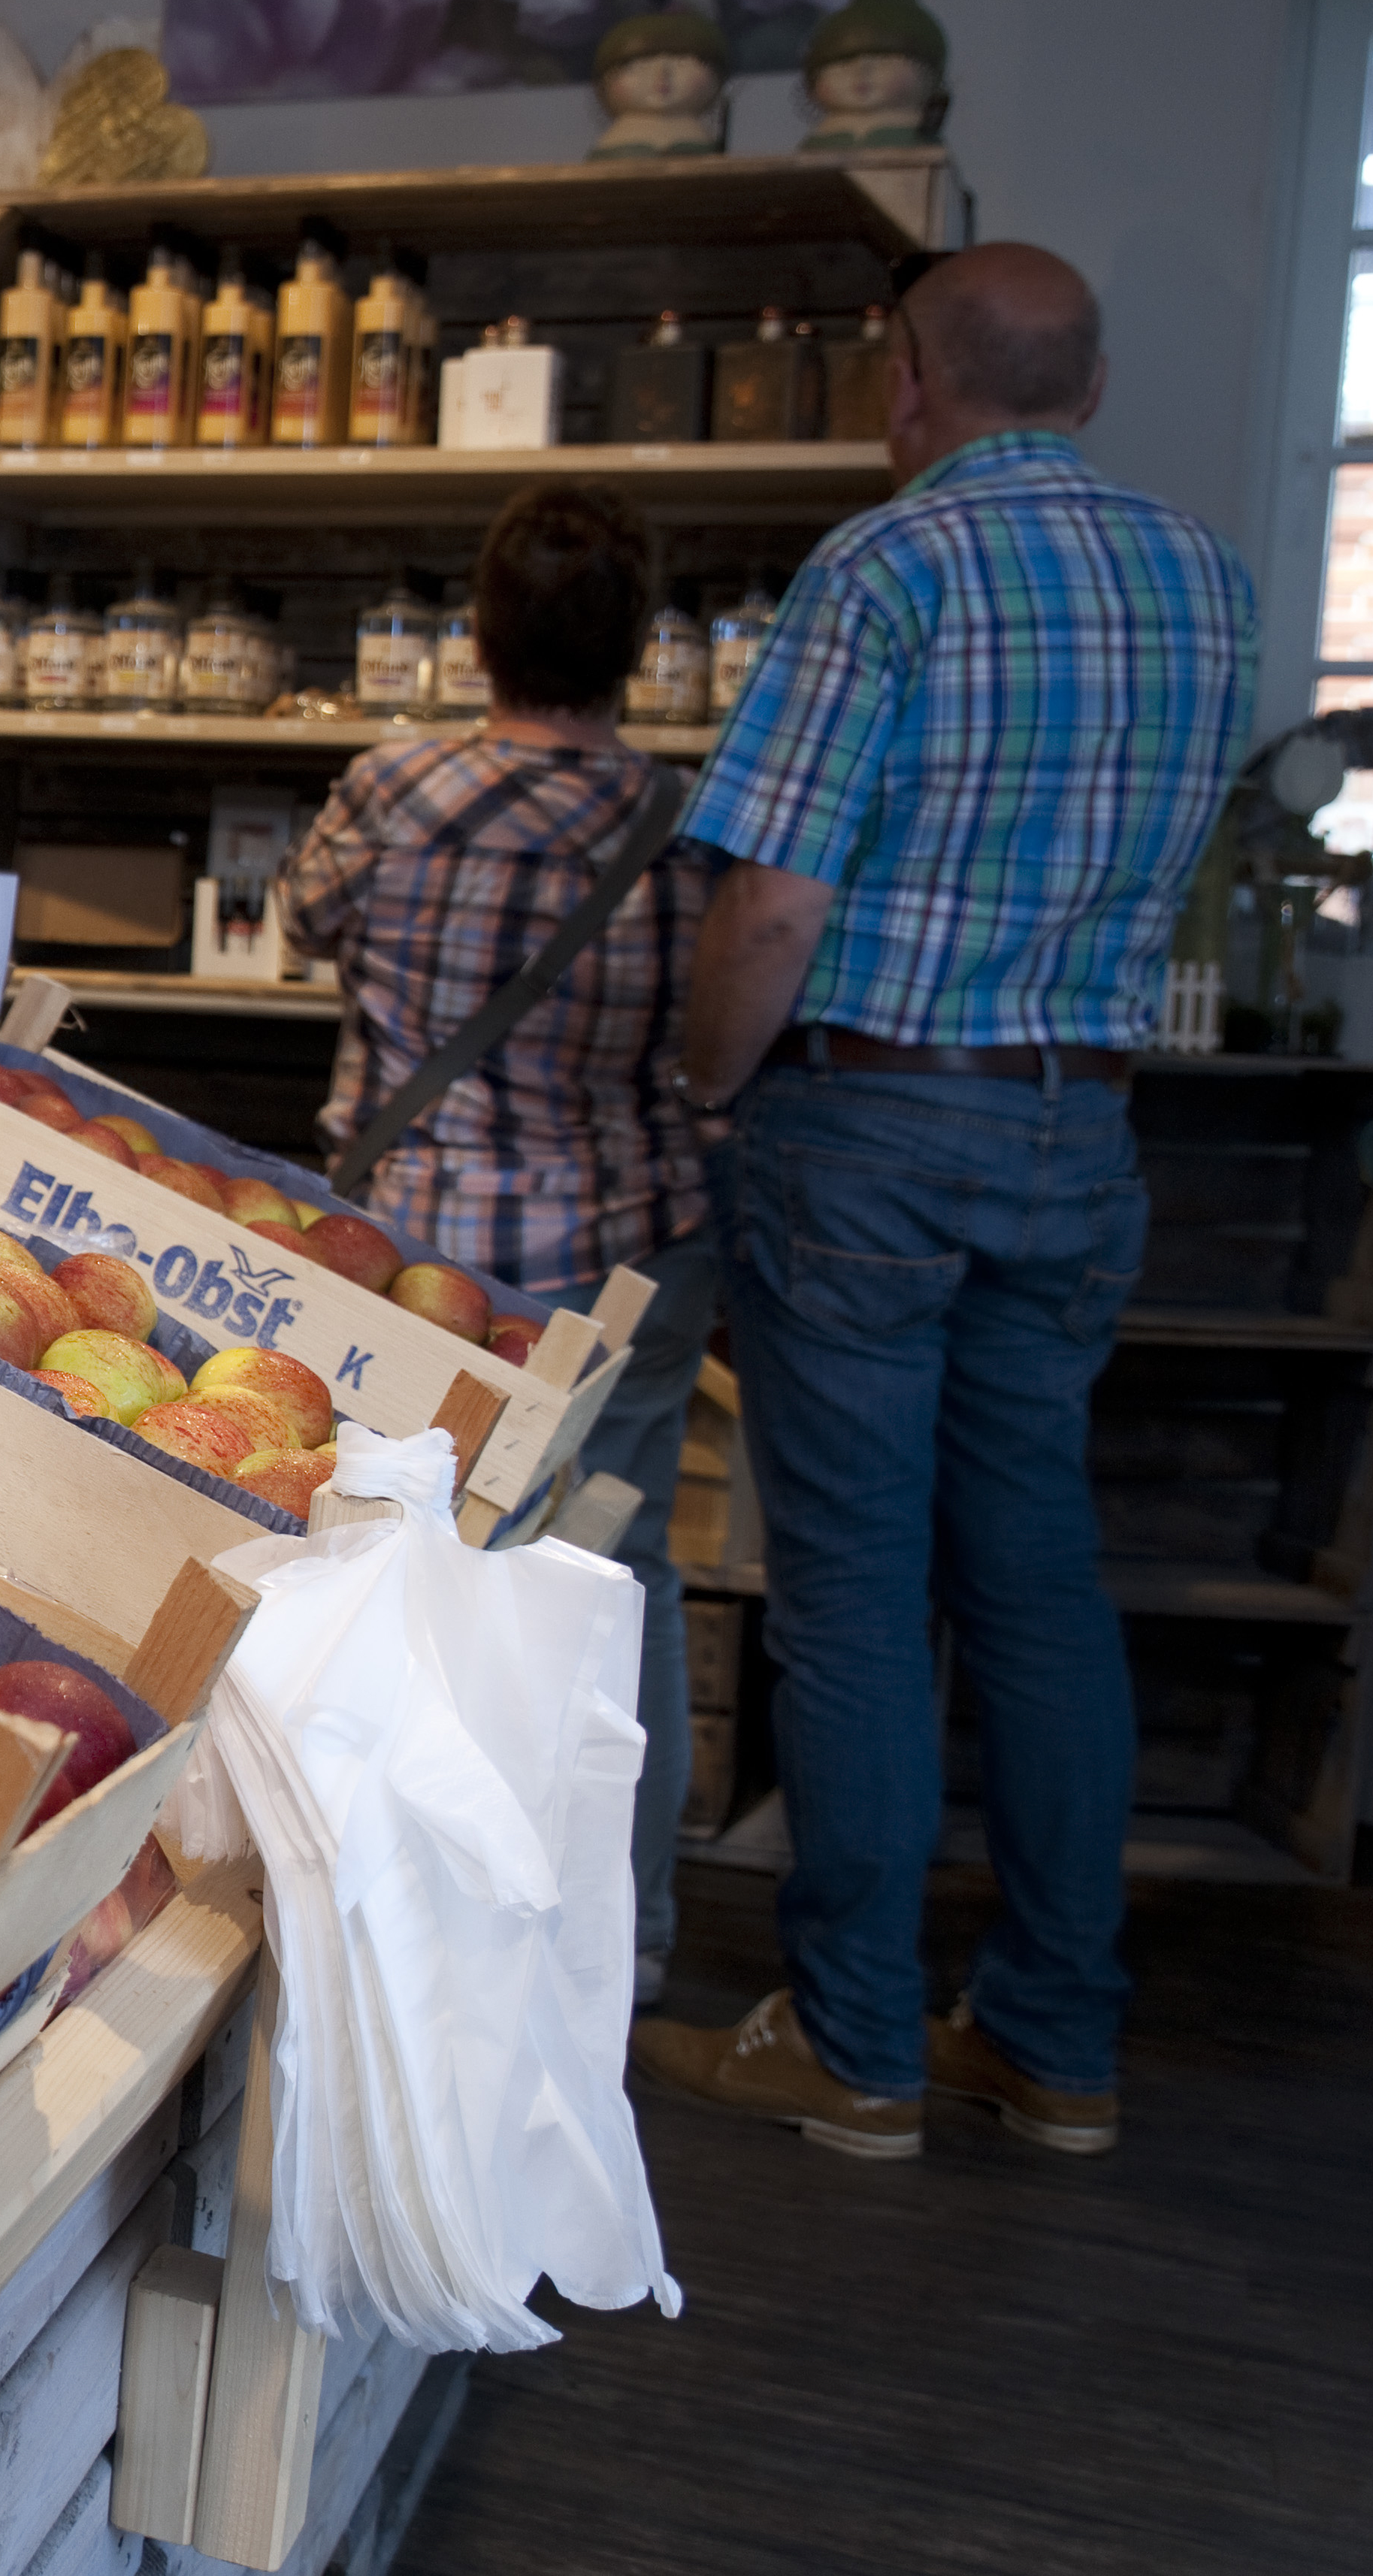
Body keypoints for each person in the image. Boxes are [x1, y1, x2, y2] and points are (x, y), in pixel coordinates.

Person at [636, 243, 1254, 2161]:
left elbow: (777, 905)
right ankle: (1057, 2045)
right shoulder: (1207, 581)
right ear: (1089, 377)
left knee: (851, 1601)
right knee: (1041, 1588)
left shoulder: (888, 566)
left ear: (911, 375)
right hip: (1077, 1134)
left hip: (874, 1130)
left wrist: (705, 1077)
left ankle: (860, 2047)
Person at [285, 481, 723, 2006]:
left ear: (477, 631)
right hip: (620, 1257)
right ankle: (627, 1924)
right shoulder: (687, 820)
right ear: (641, 648)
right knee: (617, 1580)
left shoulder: (396, 785)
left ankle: (383, 1905)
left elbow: (303, 921)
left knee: (393, 1569)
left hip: (417, 1254)